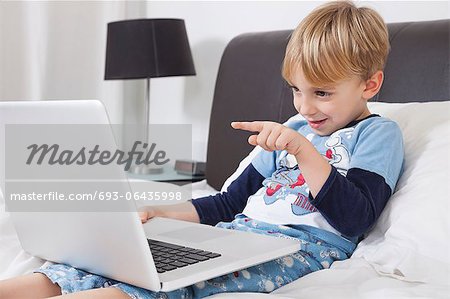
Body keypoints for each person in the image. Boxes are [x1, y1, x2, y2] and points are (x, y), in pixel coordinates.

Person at [0, 1, 404, 298]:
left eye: (322, 93)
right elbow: (227, 204)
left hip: (300, 250)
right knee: (96, 266)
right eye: (296, 90)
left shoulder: (377, 135)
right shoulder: (293, 129)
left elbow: (354, 219)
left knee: (161, 287)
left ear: (369, 85)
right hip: (237, 236)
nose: (304, 106)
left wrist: (305, 151)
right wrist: (163, 213)